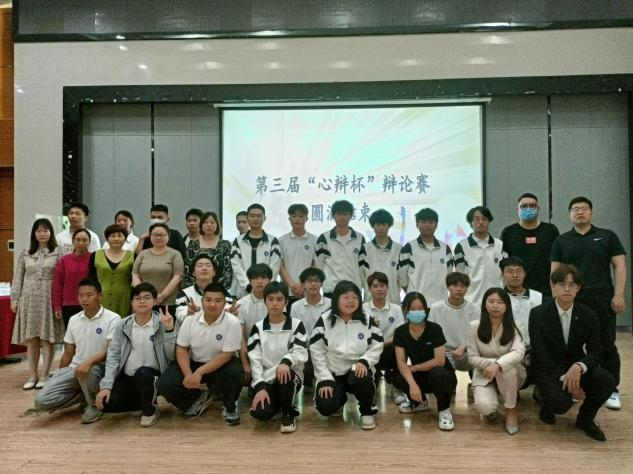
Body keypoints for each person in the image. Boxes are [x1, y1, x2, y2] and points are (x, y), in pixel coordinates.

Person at [550, 196, 626, 410]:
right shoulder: (562, 240)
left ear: (591, 212)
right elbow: (555, 272)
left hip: (602, 300)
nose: (580, 212)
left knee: (606, 344)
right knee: (571, 345)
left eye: (584, 208)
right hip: (573, 300)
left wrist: (619, 294)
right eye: (575, 209)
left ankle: (611, 389)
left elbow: (619, 266)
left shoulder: (607, 236)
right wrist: (557, 297)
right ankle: (575, 385)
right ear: (570, 214)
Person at [529, 265, 615, 441]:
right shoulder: (538, 313)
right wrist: (567, 380)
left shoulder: (588, 315)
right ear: (553, 286)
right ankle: (546, 404)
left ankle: (585, 419)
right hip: (548, 369)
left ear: (578, 288)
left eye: (572, 284)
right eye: (562, 284)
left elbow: (596, 351)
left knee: (606, 380)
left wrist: (579, 366)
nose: (567, 289)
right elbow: (539, 353)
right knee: (560, 404)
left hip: (575, 366)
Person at [34, 279, 120, 424]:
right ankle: (84, 396)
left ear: (100, 296)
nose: (84, 299)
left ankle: (94, 406)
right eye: (81, 295)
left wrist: (88, 362)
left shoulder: (113, 318)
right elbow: (68, 352)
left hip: (100, 369)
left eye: (89, 295)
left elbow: (111, 351)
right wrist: (59, 375)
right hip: (75, 369)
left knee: (88, 371)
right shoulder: (74, 320)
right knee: (41, 401)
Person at [158, 282, 244, 425]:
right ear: (202, 301)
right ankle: (198, 399)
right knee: (164, 384)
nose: (212, 304)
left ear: (224, 303)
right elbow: (181, 348)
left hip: (221, 364)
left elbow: (227, 355)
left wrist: (199, 373)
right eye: (208, 300)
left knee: (235, 373)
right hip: (195, 361)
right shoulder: (190, 320)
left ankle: (229, 406)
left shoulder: (232, 322)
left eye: (218, 300)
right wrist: (188, 374)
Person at [95, 283, 176, 427]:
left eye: (147, 297)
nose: (142, 301)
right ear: (131, 303)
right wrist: (106, 386)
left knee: (142, 373)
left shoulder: (164, 321)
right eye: (137, 298)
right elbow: (113, 356)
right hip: (129, 376)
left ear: (155, 301)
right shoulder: (123, 324)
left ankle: (150, 410)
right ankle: (143, 400)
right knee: (106, 404)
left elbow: (171, 356)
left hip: (153, 376)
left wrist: (169, 330)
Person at [311, 281, 383, 430]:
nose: (351, 301)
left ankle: (366, 411)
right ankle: (339, 400)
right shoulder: (324, 320)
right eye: (346, 297)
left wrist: (364, 361)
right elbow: (316, 350)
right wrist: (324, 378)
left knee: (362, 377)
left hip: (357, 368)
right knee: (326, 406)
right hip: (333, 371)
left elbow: (377, 344)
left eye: (355, 297)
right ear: (336, 299)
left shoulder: (366, 319)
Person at [248, 282, 308, 433]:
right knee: (260, 413)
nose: (274, 303)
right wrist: (260, 387)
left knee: (284, 375)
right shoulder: (257, 327)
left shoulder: (296, 324)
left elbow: (300, 352)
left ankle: (288, 413)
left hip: (290, 374)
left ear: (286, 302)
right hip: (267, 378)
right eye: (270, 299)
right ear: (265, 301)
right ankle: (280, 405)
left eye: (279, 299)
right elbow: (255, 360)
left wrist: (285, 362)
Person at [11, 218, 63, 389]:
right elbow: (18, 277)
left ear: (51, 233)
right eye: (39, 231)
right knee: (32, 339)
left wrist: (59, 301)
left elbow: (61, 278)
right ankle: (33, 375)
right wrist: (14, 299)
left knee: (47, 338)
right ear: (34, 233)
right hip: (28, 299)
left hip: (48, 298)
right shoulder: (25, 253)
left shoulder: (58, 252)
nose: (42, 234)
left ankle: (45, 375)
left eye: (45, 231)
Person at [393, 292, 457, 431]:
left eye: (420, 308)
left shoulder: (434, 329)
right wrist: (412, 383)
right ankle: (419, 403)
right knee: (399, 376)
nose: (417, 312)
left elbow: (439, 361)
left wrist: (416, 367)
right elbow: (401, 361)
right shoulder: (400, 332)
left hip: (442, 375)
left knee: (438, 373)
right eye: (412, 309)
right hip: (422, 375)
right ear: (405, 310)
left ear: (426, 310)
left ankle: (444, 411)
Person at [467, 288, 526, 435]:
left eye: (500, 302)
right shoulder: (474, 326)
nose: (495, 305)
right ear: (484, 304)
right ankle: (491, 402)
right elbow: (472, 358)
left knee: (507, 369)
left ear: (507, 305)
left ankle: (511, 409)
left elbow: (519, 352)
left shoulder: (516, 325)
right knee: (484, 407)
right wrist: (493, 364)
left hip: (511, 375)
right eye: (491, 301)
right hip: (484, 374)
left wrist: (498, 365)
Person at [500, 193, 559, 297]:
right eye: (524, 206)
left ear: (538, 209)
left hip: (546, 290)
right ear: (517, 210)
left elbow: (558, 260)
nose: (528, 209)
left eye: (532, 206)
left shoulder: (550, 230)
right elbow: (503, 263)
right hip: (517, 291)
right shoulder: (508, 232)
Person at [398, 208, 454, 306]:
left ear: (436, 225)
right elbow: (402, 278)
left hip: (440, 303)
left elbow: (449, 276)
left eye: (430, 222)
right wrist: (412, 294)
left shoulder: (445, 249)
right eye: (423, 222)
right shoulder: (409, 248)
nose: (427, 225)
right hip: (416, 305)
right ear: (417, 225)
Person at [429, 272, 479, 373]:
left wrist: (464, 346)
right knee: (440, 375)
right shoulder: (436, 308)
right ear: (448, 287)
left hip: (466, 351)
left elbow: (478, 333)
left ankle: (477, 381)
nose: (459, 289)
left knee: (485, 356)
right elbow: (430, 334)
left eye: (463, 286)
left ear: (467, 288)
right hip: (443, 352)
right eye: (455, 285)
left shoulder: (474, 308)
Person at [454, 206, 505, 305]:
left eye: (484, 219)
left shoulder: (500, 245)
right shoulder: (462, 246)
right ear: (471, 222)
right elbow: (460, 275)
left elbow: (504, 274)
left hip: (496, 301)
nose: (481, 222)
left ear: (489, 221)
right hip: (471, 301)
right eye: (477, 219)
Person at [290, 267, 331, 391]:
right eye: (309, 281)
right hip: (305, 346)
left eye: (317, 281)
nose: (313, 284)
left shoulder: (331, 304)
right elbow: (295, 332)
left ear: (322, 284)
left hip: (326, 347)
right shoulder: (295, 306)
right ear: (303, 285)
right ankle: (307, 382)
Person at [315, 200, 366, 298]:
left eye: (345, 214)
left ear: (351, 216)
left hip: (354, 290)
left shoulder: (359, 238)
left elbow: (363, 268)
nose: (342, 217)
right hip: (331, 290)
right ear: (333, 216)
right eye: (339, 214)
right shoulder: (324, 238)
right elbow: (319, 266)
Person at [362, 272, 404, 388]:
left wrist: (382, 343)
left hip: (388, 348)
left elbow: (399, 334)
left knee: (400, 347)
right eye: (375, 286)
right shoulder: (362, 309)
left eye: (382, 286)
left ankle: (397, 384)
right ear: (369, 289)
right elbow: (358, 334)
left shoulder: (396, 309)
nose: (379, 289)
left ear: (387, 287)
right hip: (368, 349)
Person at [230, 204, 281, 299]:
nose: (255, 219)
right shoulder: (238, 241)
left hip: (266, 293)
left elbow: (274, 268)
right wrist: (248, 286)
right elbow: (237, 267)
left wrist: (265, 286)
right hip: (243, 293)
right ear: (247, 218)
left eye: (259, 216)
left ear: (264, 218)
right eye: (252, 216)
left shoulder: (273, 241)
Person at [132, 222, 184, 311]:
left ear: (168, 236)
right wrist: (142, 294)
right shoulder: (143, 254)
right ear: (150, 236)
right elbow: (135, 274)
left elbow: (178, 276)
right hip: (143, 302)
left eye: (162, 235)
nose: (158, 238)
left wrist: (162, 296)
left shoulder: (175, 254)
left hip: (167, 302)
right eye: (155, 235)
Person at [236, 263, 272, 384]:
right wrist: (245, 363)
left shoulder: (277, 301)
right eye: (255, 278)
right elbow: (240, 336)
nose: (259, 281)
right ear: (250, 281)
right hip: (248, 349)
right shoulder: (241, 304)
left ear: (270, 280)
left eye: (263, 278)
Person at [89, 224, 135, 318]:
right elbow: (91, 278)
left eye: (120, 235)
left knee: (122, 323)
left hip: (124, 298)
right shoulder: (95, 255)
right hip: (101, 297)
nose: (116, 238)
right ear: (107, 238)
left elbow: (135, 278)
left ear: (125, 238)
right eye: (112, 236)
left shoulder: (133, 256)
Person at [359, 209, 402, 304]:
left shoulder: (398, 249)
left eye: (384, 225)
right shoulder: (365, 249)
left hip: (393, 300)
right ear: (373, 226)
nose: (381, 228)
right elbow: (361, 275)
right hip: (370, 301)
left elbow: (401, 278)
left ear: (389, 226)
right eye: (378, 225)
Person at [278, 203, 317, 309]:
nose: (297, 219)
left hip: (307, 291)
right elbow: (280, 266)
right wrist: (293, 285)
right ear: (289, 219)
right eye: (294, 216)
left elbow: (314, 266)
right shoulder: (282, 240)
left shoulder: (314, 240)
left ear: (306, 219)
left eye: (301, 216)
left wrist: (303, 284)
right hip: (286, 292)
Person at [52, 228, 92, 327]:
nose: (81, 243)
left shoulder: (93, 259)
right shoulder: (64, 260)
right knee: (71, 334)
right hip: (68, 305)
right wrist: (57, 306)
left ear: (89, 242)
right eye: (78, 240)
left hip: (89, 304)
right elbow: (57, 285)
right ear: (73, 241)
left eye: (84, 240)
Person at [500, 257, 542, 349]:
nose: (515, 275)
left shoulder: (538, 297)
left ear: (524, 273)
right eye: (510, 271)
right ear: (502, 274)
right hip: (508, 349)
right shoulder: (499, 299)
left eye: (519, 271)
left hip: (536, 348)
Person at [185, 211, 232, 292]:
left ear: (217, 225)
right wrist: (197, 290)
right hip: (196, 290)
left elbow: (228, 271)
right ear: (201, 225)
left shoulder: (225, 244)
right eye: (206, 222)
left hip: (219, 290)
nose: (209, 225)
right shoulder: (193, 244)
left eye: (212, 222)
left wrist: (217, 290)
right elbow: (188, 269)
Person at [175, 254, 218, 322]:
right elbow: (179, 315)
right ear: (193, 273)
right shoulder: (184, 293)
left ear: (214, 273)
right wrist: (188, 312)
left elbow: (229, 311)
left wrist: (230, 313)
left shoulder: (223, 293)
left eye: (208, 265)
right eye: (200, 266)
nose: (204, 268)